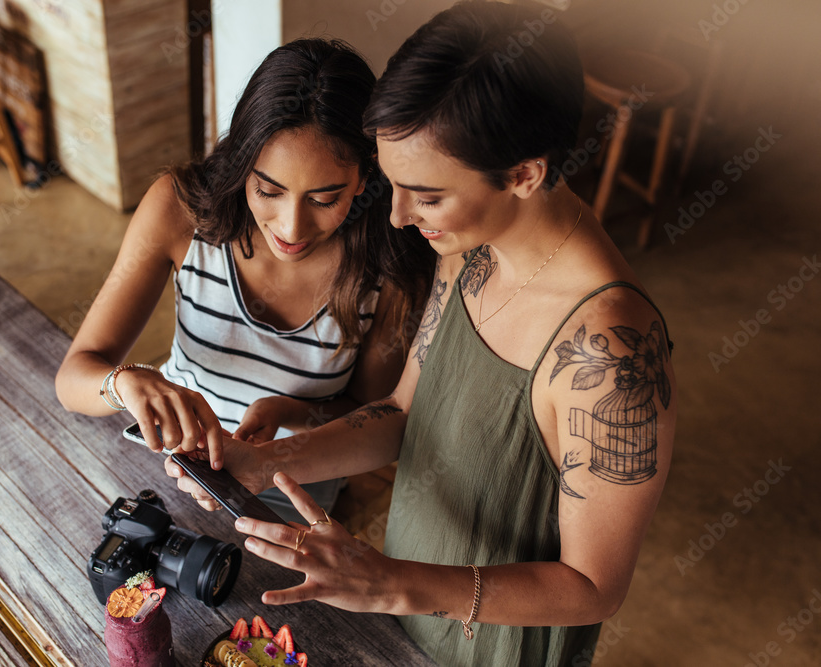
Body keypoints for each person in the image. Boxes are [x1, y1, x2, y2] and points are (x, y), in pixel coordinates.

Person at [167, 3, 677, 665]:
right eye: (395, 185)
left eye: (426, 195)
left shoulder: (610, 351)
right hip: (403, 607)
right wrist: (267, 462)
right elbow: (405, 412)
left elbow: (593, 586)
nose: (400, 216)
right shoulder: (469, 250)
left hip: (493, 644)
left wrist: (388, 583)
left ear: (525, 173)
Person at [55, 39, 434, 521]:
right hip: (166, 470)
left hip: (288, 491)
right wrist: (121, 383)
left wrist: (289, 413)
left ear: (365, 177)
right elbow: (73, 378)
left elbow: (372, 413)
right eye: (268, 190)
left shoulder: (389, 261)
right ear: (242, 164)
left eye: (324, 199)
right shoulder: (180, 211)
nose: (291, 228)